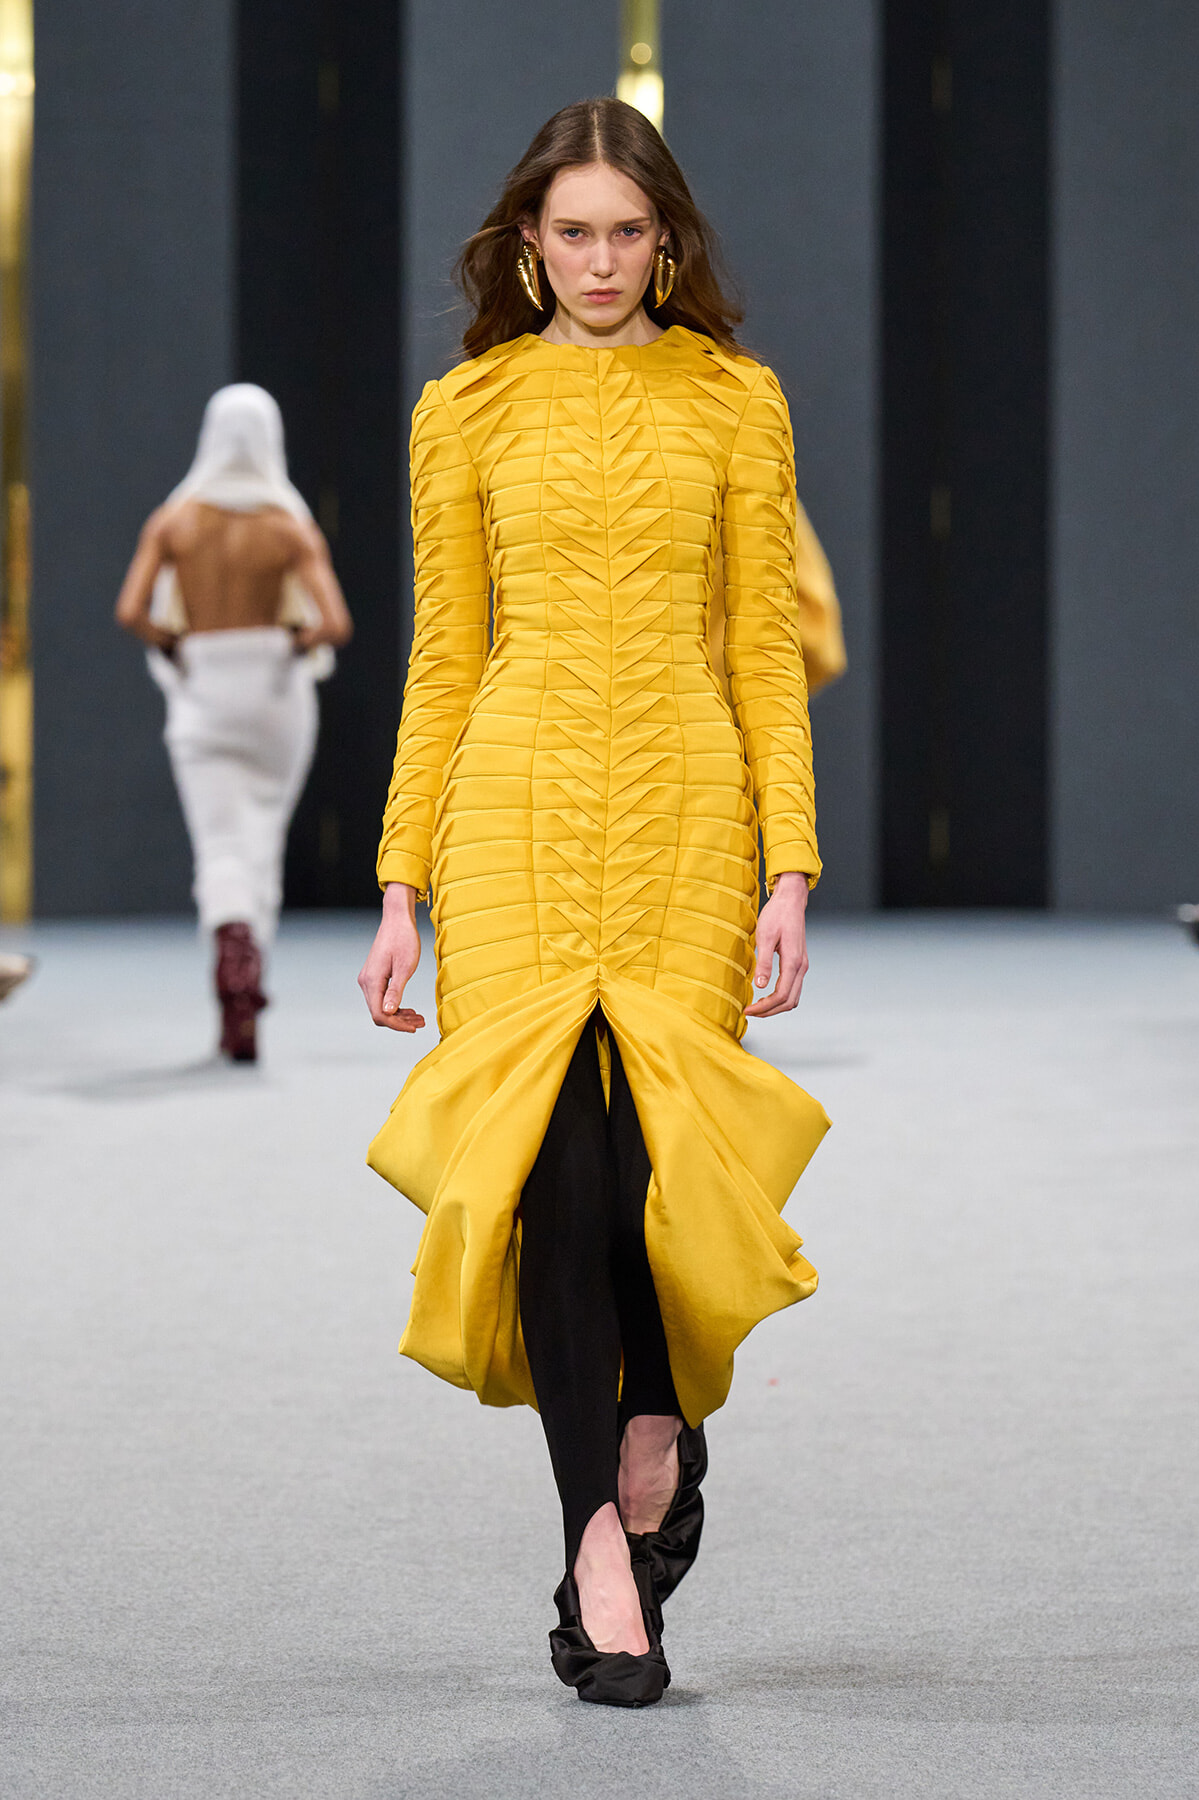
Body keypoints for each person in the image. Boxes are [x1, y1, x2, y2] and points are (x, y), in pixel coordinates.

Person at [358, 98, 829, 1708]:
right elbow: (444, 660)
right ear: (526, 246)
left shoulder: (739, 404)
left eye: (630, 231)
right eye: (574, 232)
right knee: (555, 1171)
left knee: (646, 1164)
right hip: (508, 824)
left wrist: (790, 866)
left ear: (669, 241)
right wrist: (402, 878)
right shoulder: (467, 408)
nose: (604, 260)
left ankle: (655, 1421)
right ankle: (596, 1544)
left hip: (692, 820)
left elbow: (764, 649)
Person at [116, 386, 352, 1061]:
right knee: (262, 842)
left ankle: (231, 951)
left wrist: (174, 644)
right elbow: (333, 623)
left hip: (206, 685)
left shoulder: (174, 523)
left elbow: (132, 610)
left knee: (219, 845)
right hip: (275, 688)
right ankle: (254, 972)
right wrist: (292, 642)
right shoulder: (289, 528)